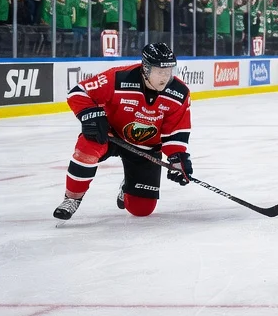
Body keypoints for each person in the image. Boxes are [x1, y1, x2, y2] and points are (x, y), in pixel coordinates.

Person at [54, 43, 192, 220]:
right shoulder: (119, 77)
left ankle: (129, 184)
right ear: (146, 69)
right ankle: (72, 198)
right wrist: (91, 115)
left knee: (141, 209)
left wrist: (177, 158)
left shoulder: (179, 93)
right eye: (160, 72)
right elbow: (78, 93)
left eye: (168, 71)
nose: (165, 77)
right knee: (88, 148)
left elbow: (175, 131)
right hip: (110, 135)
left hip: (146, 147)